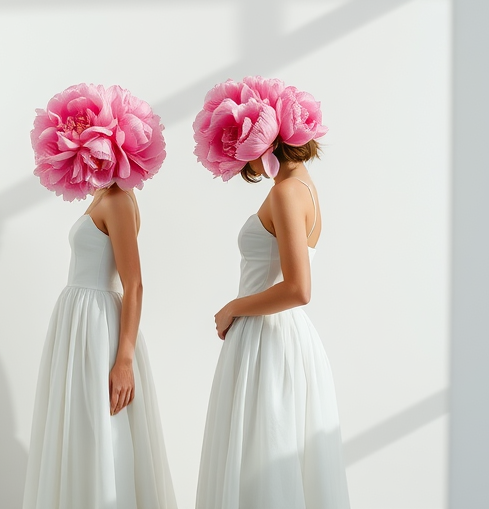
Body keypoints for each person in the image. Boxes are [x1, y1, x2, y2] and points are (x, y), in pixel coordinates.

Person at [192, 77, 350, 509]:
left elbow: (299, 289)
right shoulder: (305, 188)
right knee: (274, 455)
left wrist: (233, 307)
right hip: (283, 337)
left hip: (267, 338)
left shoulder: (285, 193)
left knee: (261, 461)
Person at [23, 83, 177, 509]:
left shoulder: (119, 200)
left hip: (98, 327)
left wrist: (124, 360)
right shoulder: (101, 195)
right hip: (79, 324)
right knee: (80, 426)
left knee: (102, 429)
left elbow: (135, 283)